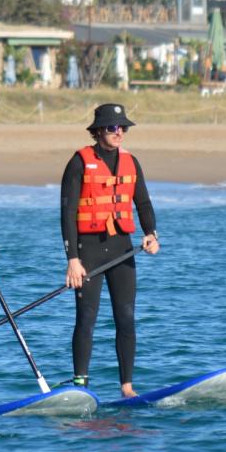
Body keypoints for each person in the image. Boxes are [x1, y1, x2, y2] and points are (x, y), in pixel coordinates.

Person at [60, 103, 160, 398]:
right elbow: (67, 214)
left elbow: (142, 203)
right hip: (88, 251)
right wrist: (72, 260)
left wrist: (150, 234)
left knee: (126, 317)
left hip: (122, 250)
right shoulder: (79, 162)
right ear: (99, 130)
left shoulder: (132, 162)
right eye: (114, 128)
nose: (119, 133)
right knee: (87, 318)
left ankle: (127, 387)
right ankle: (81, 385)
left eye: (123, 128)